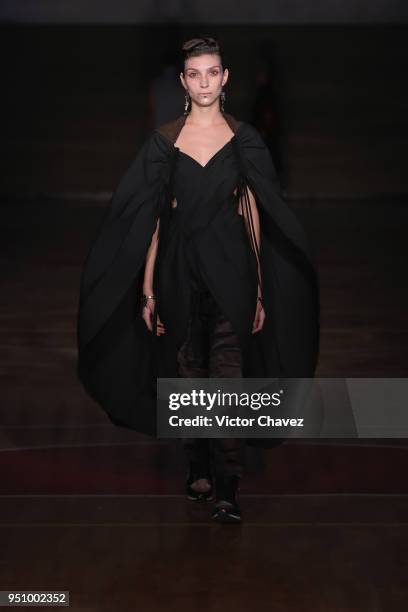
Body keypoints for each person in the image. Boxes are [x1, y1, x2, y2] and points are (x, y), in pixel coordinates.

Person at [76, 36, 320, 524]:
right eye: (195, 74)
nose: (205, 82)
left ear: (225, 78)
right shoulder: (164, 143)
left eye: (213, 72)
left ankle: (228, 484)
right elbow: (154, 220)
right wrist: (146, 289)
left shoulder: (245, 140)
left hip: (232, 271)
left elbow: (254, 213)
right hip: (176, 273)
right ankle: (197, 464)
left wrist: (256, 290)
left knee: (228, 379)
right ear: (183, 81)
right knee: (187, 376)